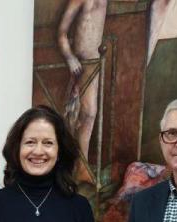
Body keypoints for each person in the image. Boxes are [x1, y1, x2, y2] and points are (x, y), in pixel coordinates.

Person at [57, 0, 109, 181]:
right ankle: (76, 167)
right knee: (75, 114)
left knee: (89, 114)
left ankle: (82, 166)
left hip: (94, 63)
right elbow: (61, 33)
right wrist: (70, 58)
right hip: (79, 65)